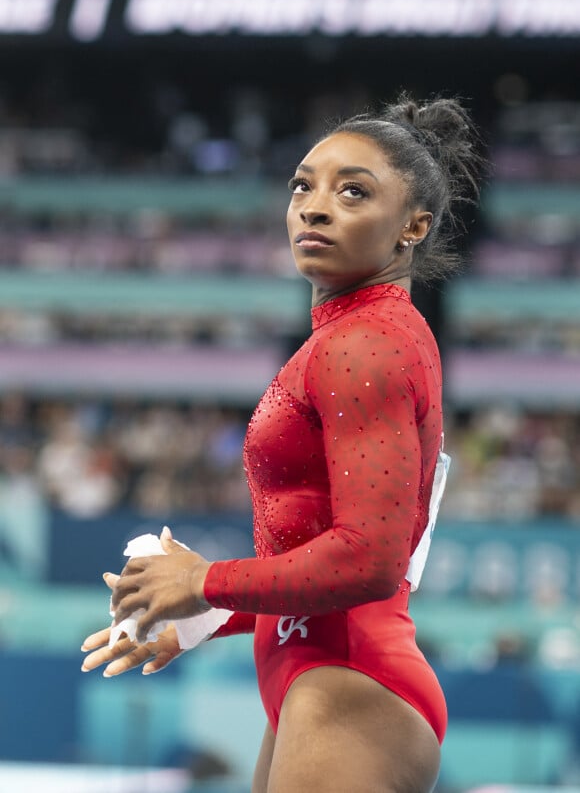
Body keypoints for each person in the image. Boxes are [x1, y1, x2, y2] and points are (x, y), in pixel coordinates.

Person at [81, 94, 481, 793]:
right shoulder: (352, 337)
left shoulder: (367, 344)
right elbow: (324, 555)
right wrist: (207, 618)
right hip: (317, 673)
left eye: (354, 191)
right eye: (303, 185)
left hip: (351, 681)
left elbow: (370, 559)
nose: (315, 206)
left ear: (412, 226)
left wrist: (203, 581)